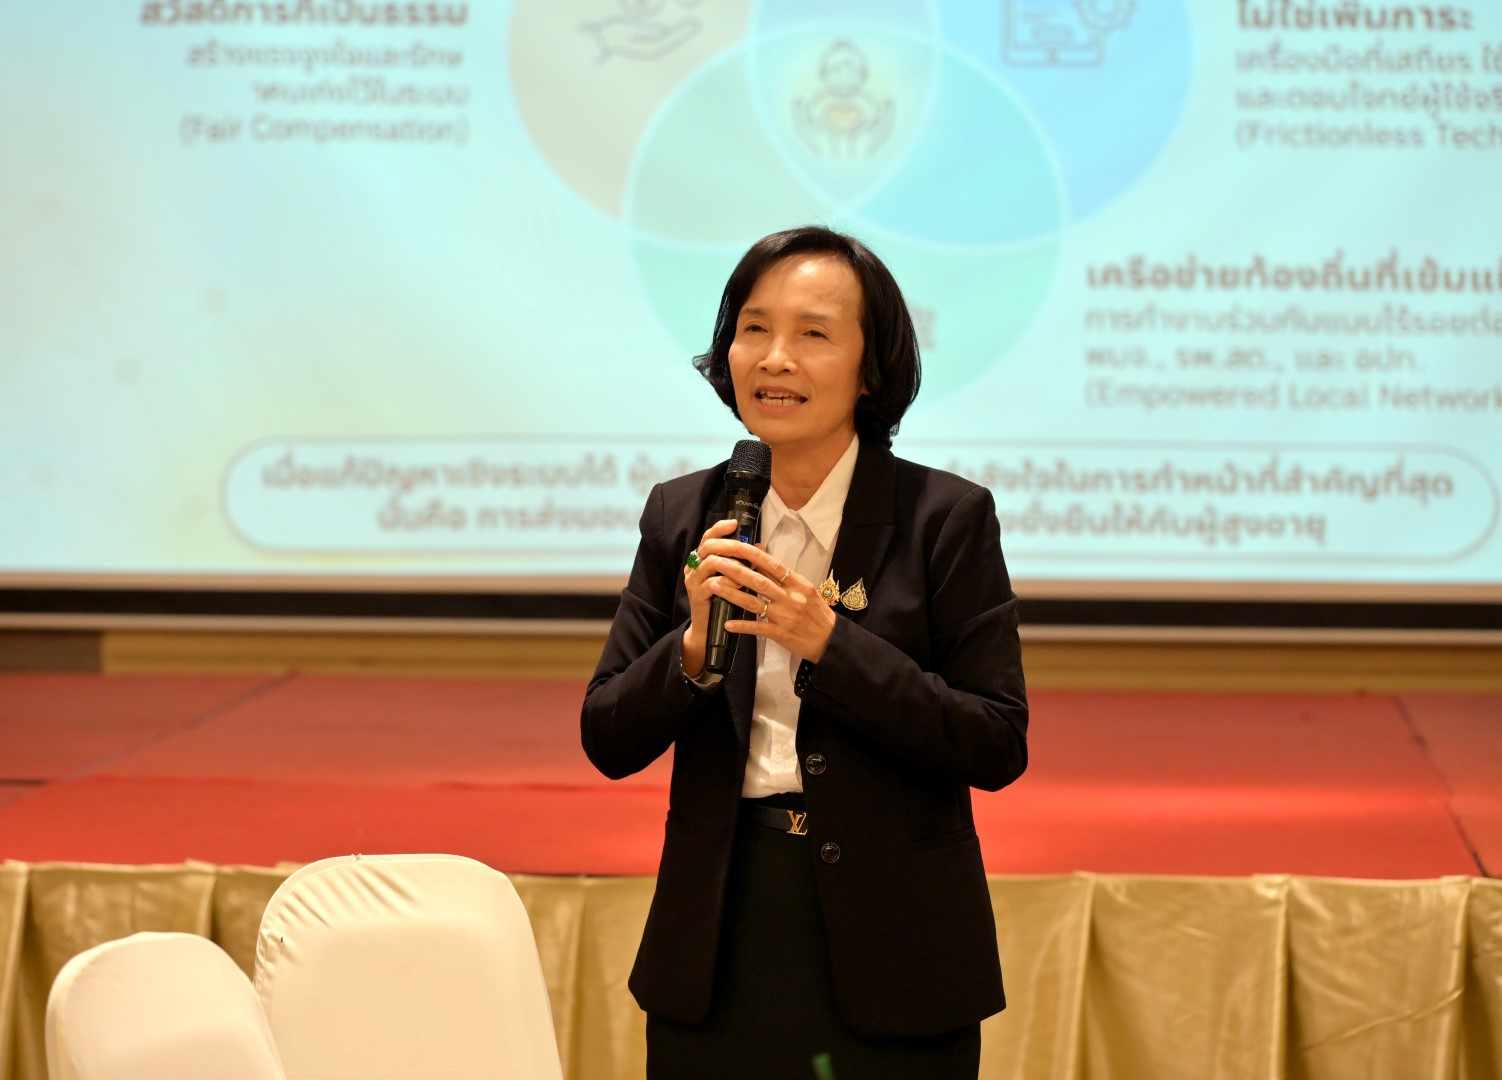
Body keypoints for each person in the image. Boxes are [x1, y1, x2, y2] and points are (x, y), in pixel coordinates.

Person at [581, 225, 1028, 1078]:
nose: (775, 358)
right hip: (720, 933)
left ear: (871, 369)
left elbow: (996, 741)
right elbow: (606, 734)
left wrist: (832, 645)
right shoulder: (684, 514)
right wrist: (690, 650)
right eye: (754, 329)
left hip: (893, 942)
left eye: (813, 333)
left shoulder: (944, 519)